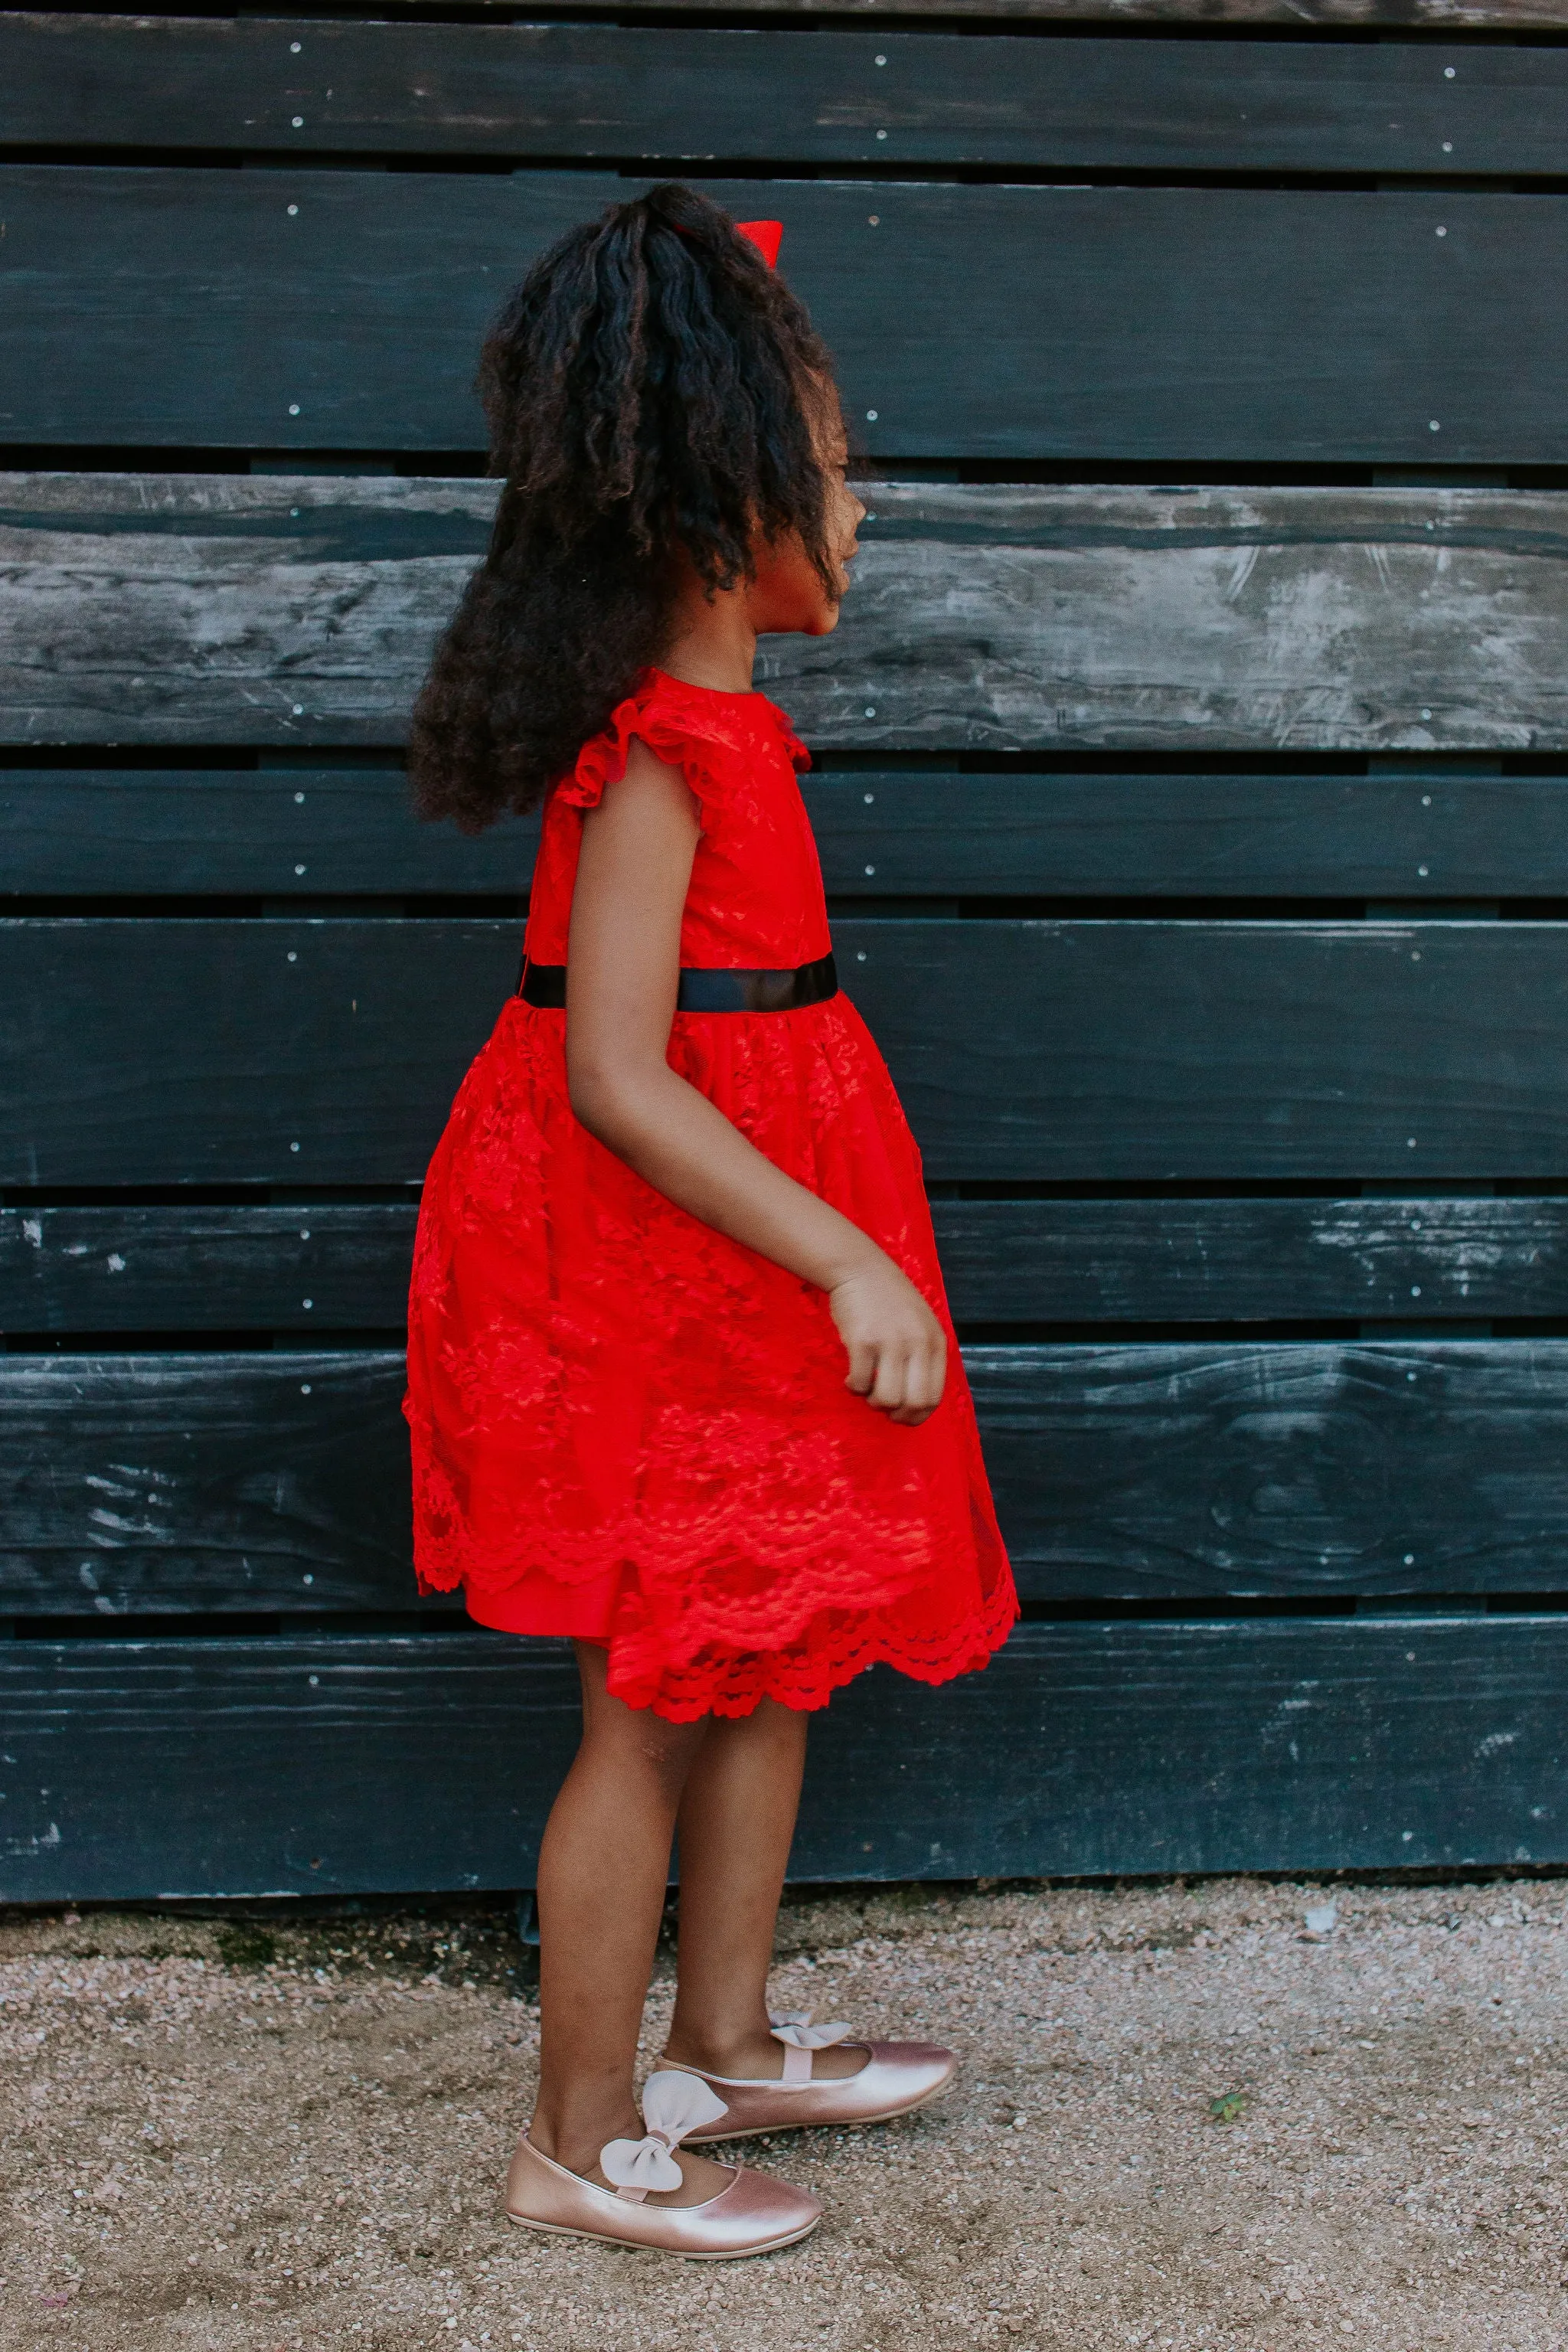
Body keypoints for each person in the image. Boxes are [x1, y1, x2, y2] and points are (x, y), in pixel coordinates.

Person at [403, 182, 1017, 2259]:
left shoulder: (730, 726)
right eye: (832, 468)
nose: (861, 508)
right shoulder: (658, 749)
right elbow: (616, 1075)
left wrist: (837, 1226)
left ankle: (728, 2033)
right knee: (647, 1692)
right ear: (714, 502)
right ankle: (579, 2139)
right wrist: (844, 1250)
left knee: (770, 1642)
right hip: (651, 1256)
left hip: (737, 1233)